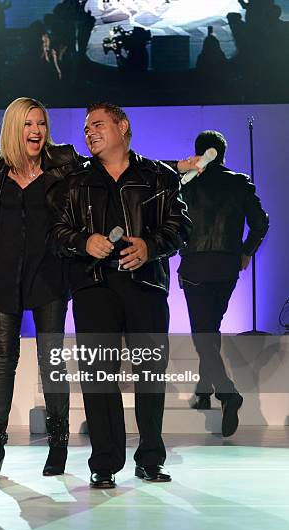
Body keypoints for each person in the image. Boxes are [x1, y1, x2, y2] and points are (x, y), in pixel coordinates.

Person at [51, 103, 191, 488]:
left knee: (149, 374)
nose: (90, 133)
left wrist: (151, 245)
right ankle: (105, 462)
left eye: (98, 125)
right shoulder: (74, 180)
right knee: (98, 375)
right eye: (86, 128)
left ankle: (150, 459)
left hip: (144, 284)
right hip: (93, 287)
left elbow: (180, 227)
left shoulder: (158, 176)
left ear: (122, 126)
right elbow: (56, 232)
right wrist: (83, 241)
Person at [0, 97, 82, 479]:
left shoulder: (64, 163)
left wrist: (176, 166)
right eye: (28, 124)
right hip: (4, 276)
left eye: (40, 124)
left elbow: (105, 171)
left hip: (49, 273)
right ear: (13, 128)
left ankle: (58, 446)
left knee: (51, 361)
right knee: (2, 361)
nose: (36, 131)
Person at [175, 130, 269, 436]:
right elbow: (261, 222)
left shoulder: (187, 183)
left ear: (198, 152)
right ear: (223, 154)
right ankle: (204, 388)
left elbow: (172, 221)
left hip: (196, 266)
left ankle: (228, 394)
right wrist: (245, 251)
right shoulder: (240, 182)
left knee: (202, 333)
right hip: (227, 267)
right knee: (208, 329)